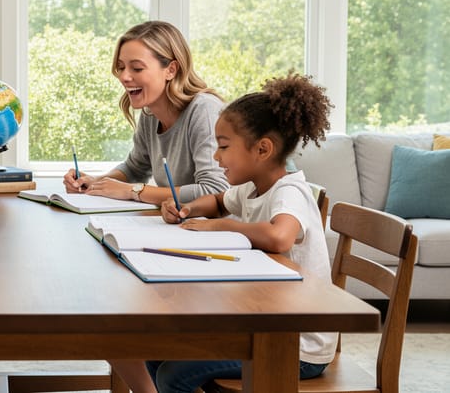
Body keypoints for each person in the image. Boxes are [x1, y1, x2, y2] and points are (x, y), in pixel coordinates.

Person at [112, 73, 337, 393]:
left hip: (296, 346)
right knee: (157, 351)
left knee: (171, 376)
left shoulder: (289, 191)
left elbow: (279, 236)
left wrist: (224, 225)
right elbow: (218, 201)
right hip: (261, 325)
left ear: (262, 149)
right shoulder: (250, 188)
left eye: (223, 147)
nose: (216, 157)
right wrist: (189, 209)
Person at [63, 20, 228, 205]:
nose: (124, 77)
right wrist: (96, 182)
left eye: (137, 68)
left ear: (171, 70)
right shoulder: (150, 114)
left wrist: (133, 191)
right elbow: (135, 169)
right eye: (121, 67)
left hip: (216, 231)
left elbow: (215, 190)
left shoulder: (205, 111)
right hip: (181, 227)